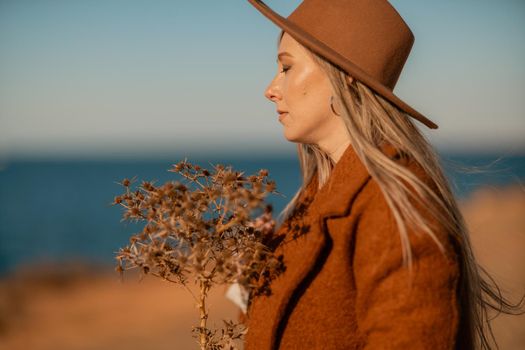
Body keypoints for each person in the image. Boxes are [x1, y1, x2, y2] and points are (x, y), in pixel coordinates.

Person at [229, 1, 523, 349]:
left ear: (345, 73)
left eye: (286, 67)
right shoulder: (322, 196)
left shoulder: (392, 198)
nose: (270, 89)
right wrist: (254, 279)